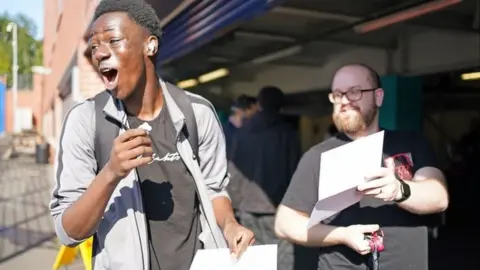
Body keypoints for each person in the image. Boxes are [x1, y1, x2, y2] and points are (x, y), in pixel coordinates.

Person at [49, 1, 254, 269]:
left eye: (113, 40)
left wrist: (230, 225)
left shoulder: (197, 113)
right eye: (95, 45)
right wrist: (111, 172)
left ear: (150, 45)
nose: (99, 53)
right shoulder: (85, 121)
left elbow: (215, 190)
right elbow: (69, 231)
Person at [274, 63, 449, 270]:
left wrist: (399, 189)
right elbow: (285, 223)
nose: (345, 101)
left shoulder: (411, 142)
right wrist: (342, 235)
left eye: (355, 92)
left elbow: (439, 198)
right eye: (338, 94)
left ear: (378, 97)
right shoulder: (317, 156)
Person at [228, 86, 302, 270]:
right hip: (276, 207)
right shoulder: (288, 133)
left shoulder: (242, 132)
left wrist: (235, 203)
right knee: (282, 258)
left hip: (246, 207)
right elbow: (295, 172)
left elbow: (234, 170)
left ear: (259, 104)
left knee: (254, 259)